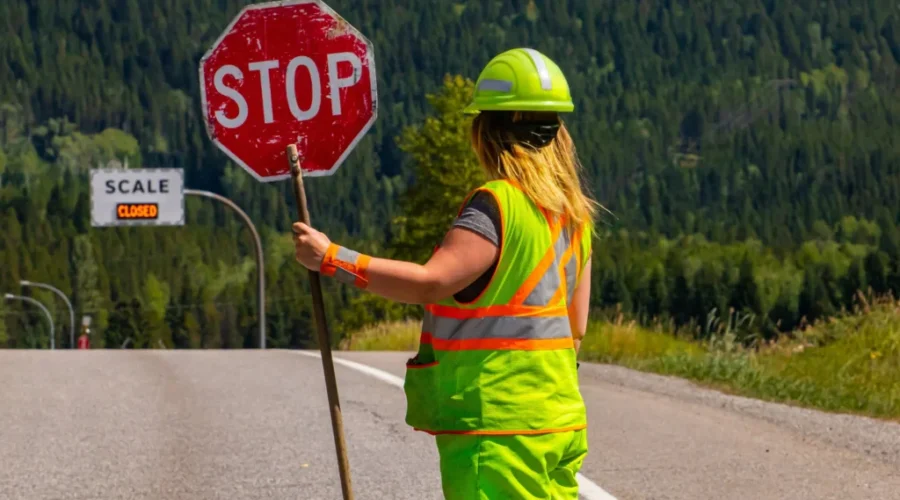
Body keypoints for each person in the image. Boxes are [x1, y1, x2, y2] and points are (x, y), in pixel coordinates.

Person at [293, 47, 597, 500]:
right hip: (560, 421)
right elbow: (576, 327)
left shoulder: (497, 204)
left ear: (487, 131)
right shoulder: (573, 217)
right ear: (558, 133)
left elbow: (432, 281)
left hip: (497, 427)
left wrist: (333, 258)